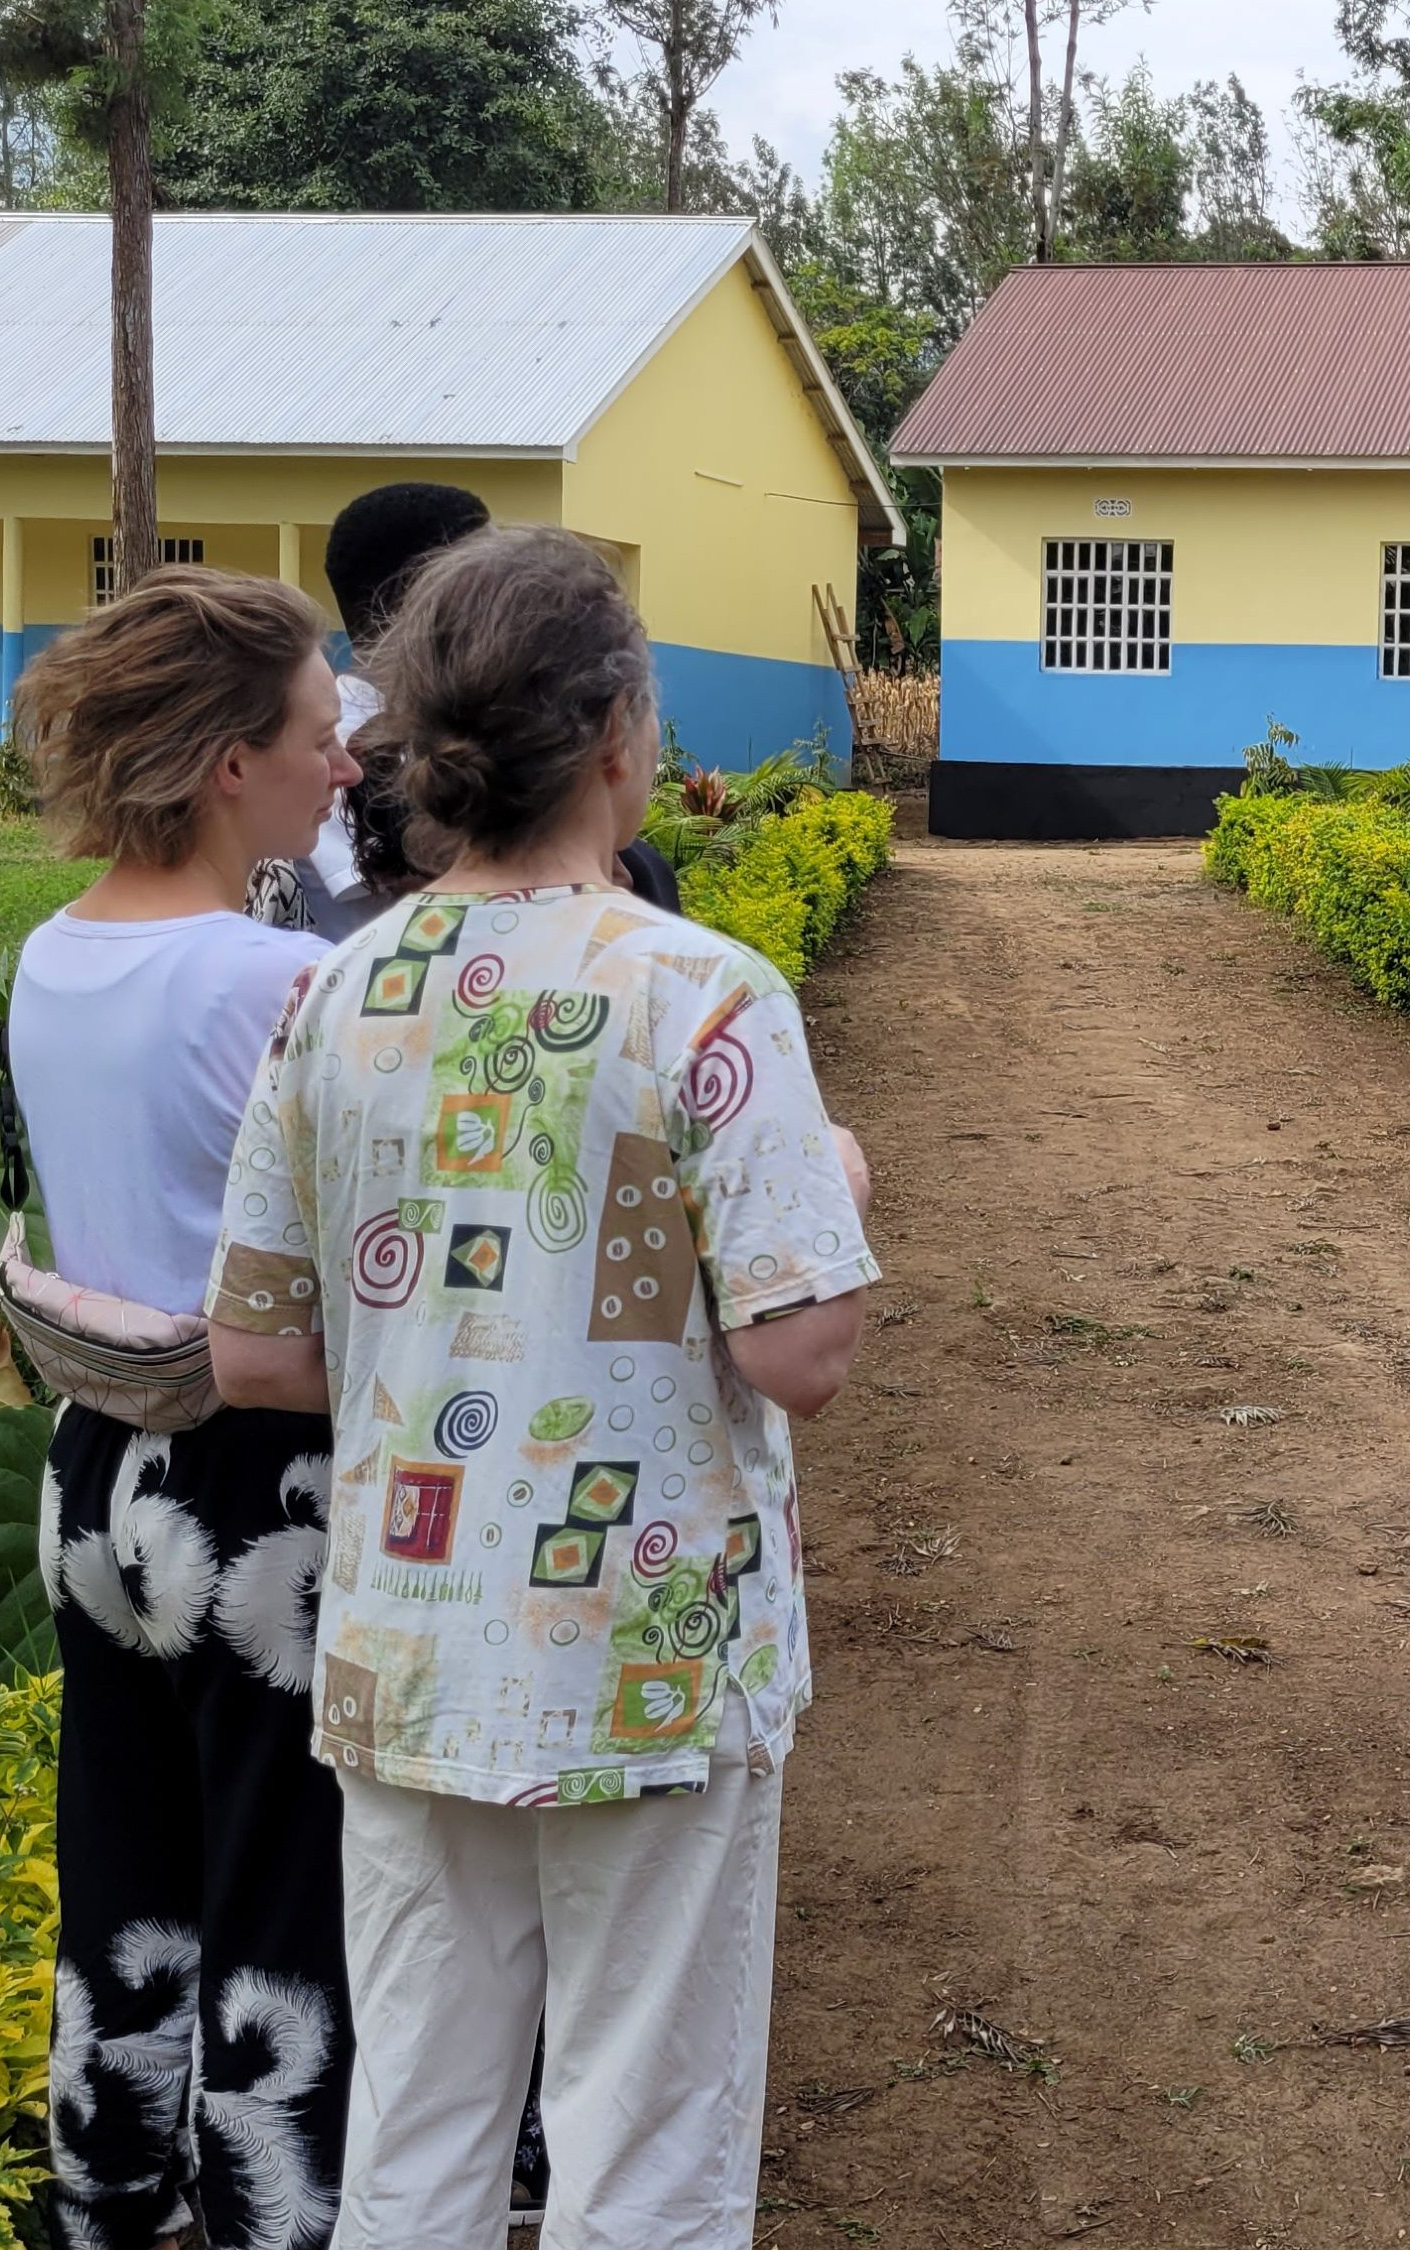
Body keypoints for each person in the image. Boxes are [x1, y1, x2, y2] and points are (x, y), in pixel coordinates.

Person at [204, 525, 877, 2250]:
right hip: (648, 1652)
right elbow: (799, 1353)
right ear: (617, 740)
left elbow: (258, 1351)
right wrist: (835, 1198)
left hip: (412, 1642)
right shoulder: (701, 994)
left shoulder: (337, 995)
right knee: (642, 2146)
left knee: (418, 2135)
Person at [3, 566, 361, 2250]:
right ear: (234, 762)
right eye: (319, 733)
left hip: (88, 1474)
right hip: (260, 1499)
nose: (346, 767)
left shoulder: (51, 952)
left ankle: (103, 2204)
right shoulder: (271, 986)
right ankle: (274, 2223)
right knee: (283, 1910)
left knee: (124, 1887)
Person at [306, 483, 680, 941]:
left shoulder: (490, 716)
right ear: (430, 601)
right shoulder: (338, 752)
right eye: (482, 582)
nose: (505, 596)